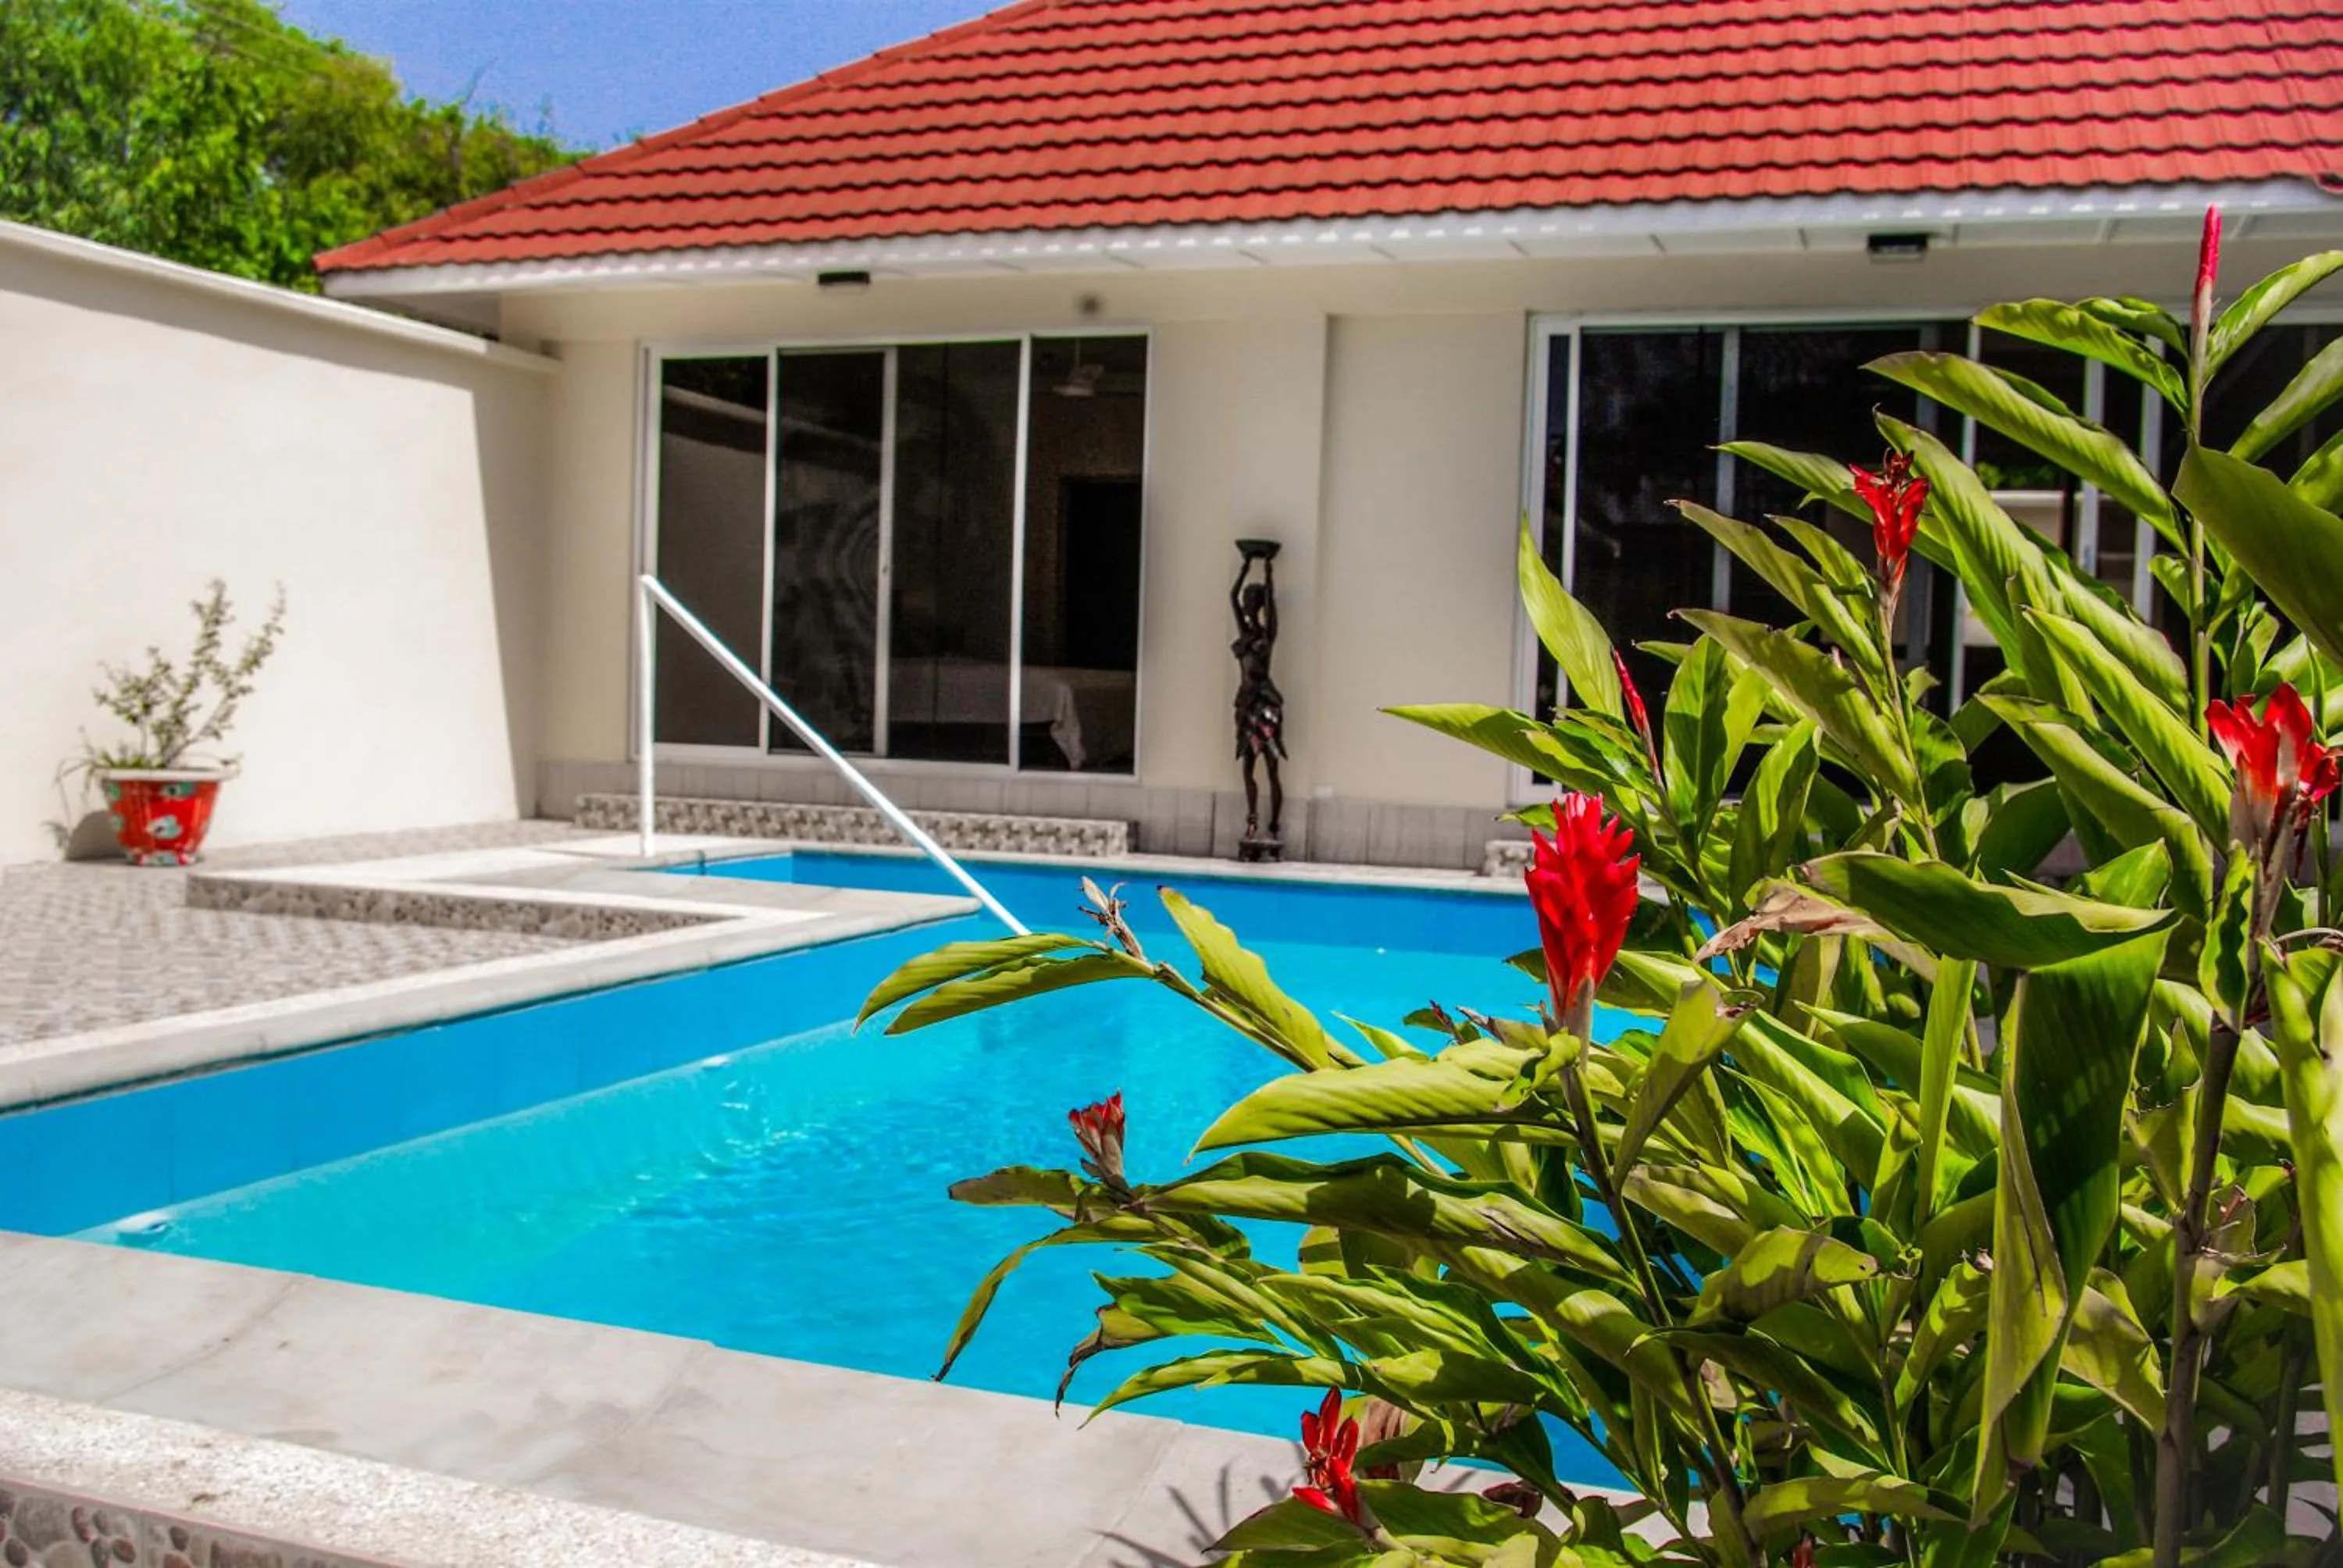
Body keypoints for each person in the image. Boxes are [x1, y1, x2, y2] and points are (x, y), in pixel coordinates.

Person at [1231, 549, 1285, 853]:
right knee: (1248, 769)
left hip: (1265, 706)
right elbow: (1231, 597)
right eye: (1246, 601)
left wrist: (1268, 572)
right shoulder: (1245, 632)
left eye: (1253, 600)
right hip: (1246, 705)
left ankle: (1274, 826)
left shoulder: (1267, 634)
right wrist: (1245, 565)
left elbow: (1272, 605)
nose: (1247, 605)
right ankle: (1252, 825)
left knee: (1272, 767)